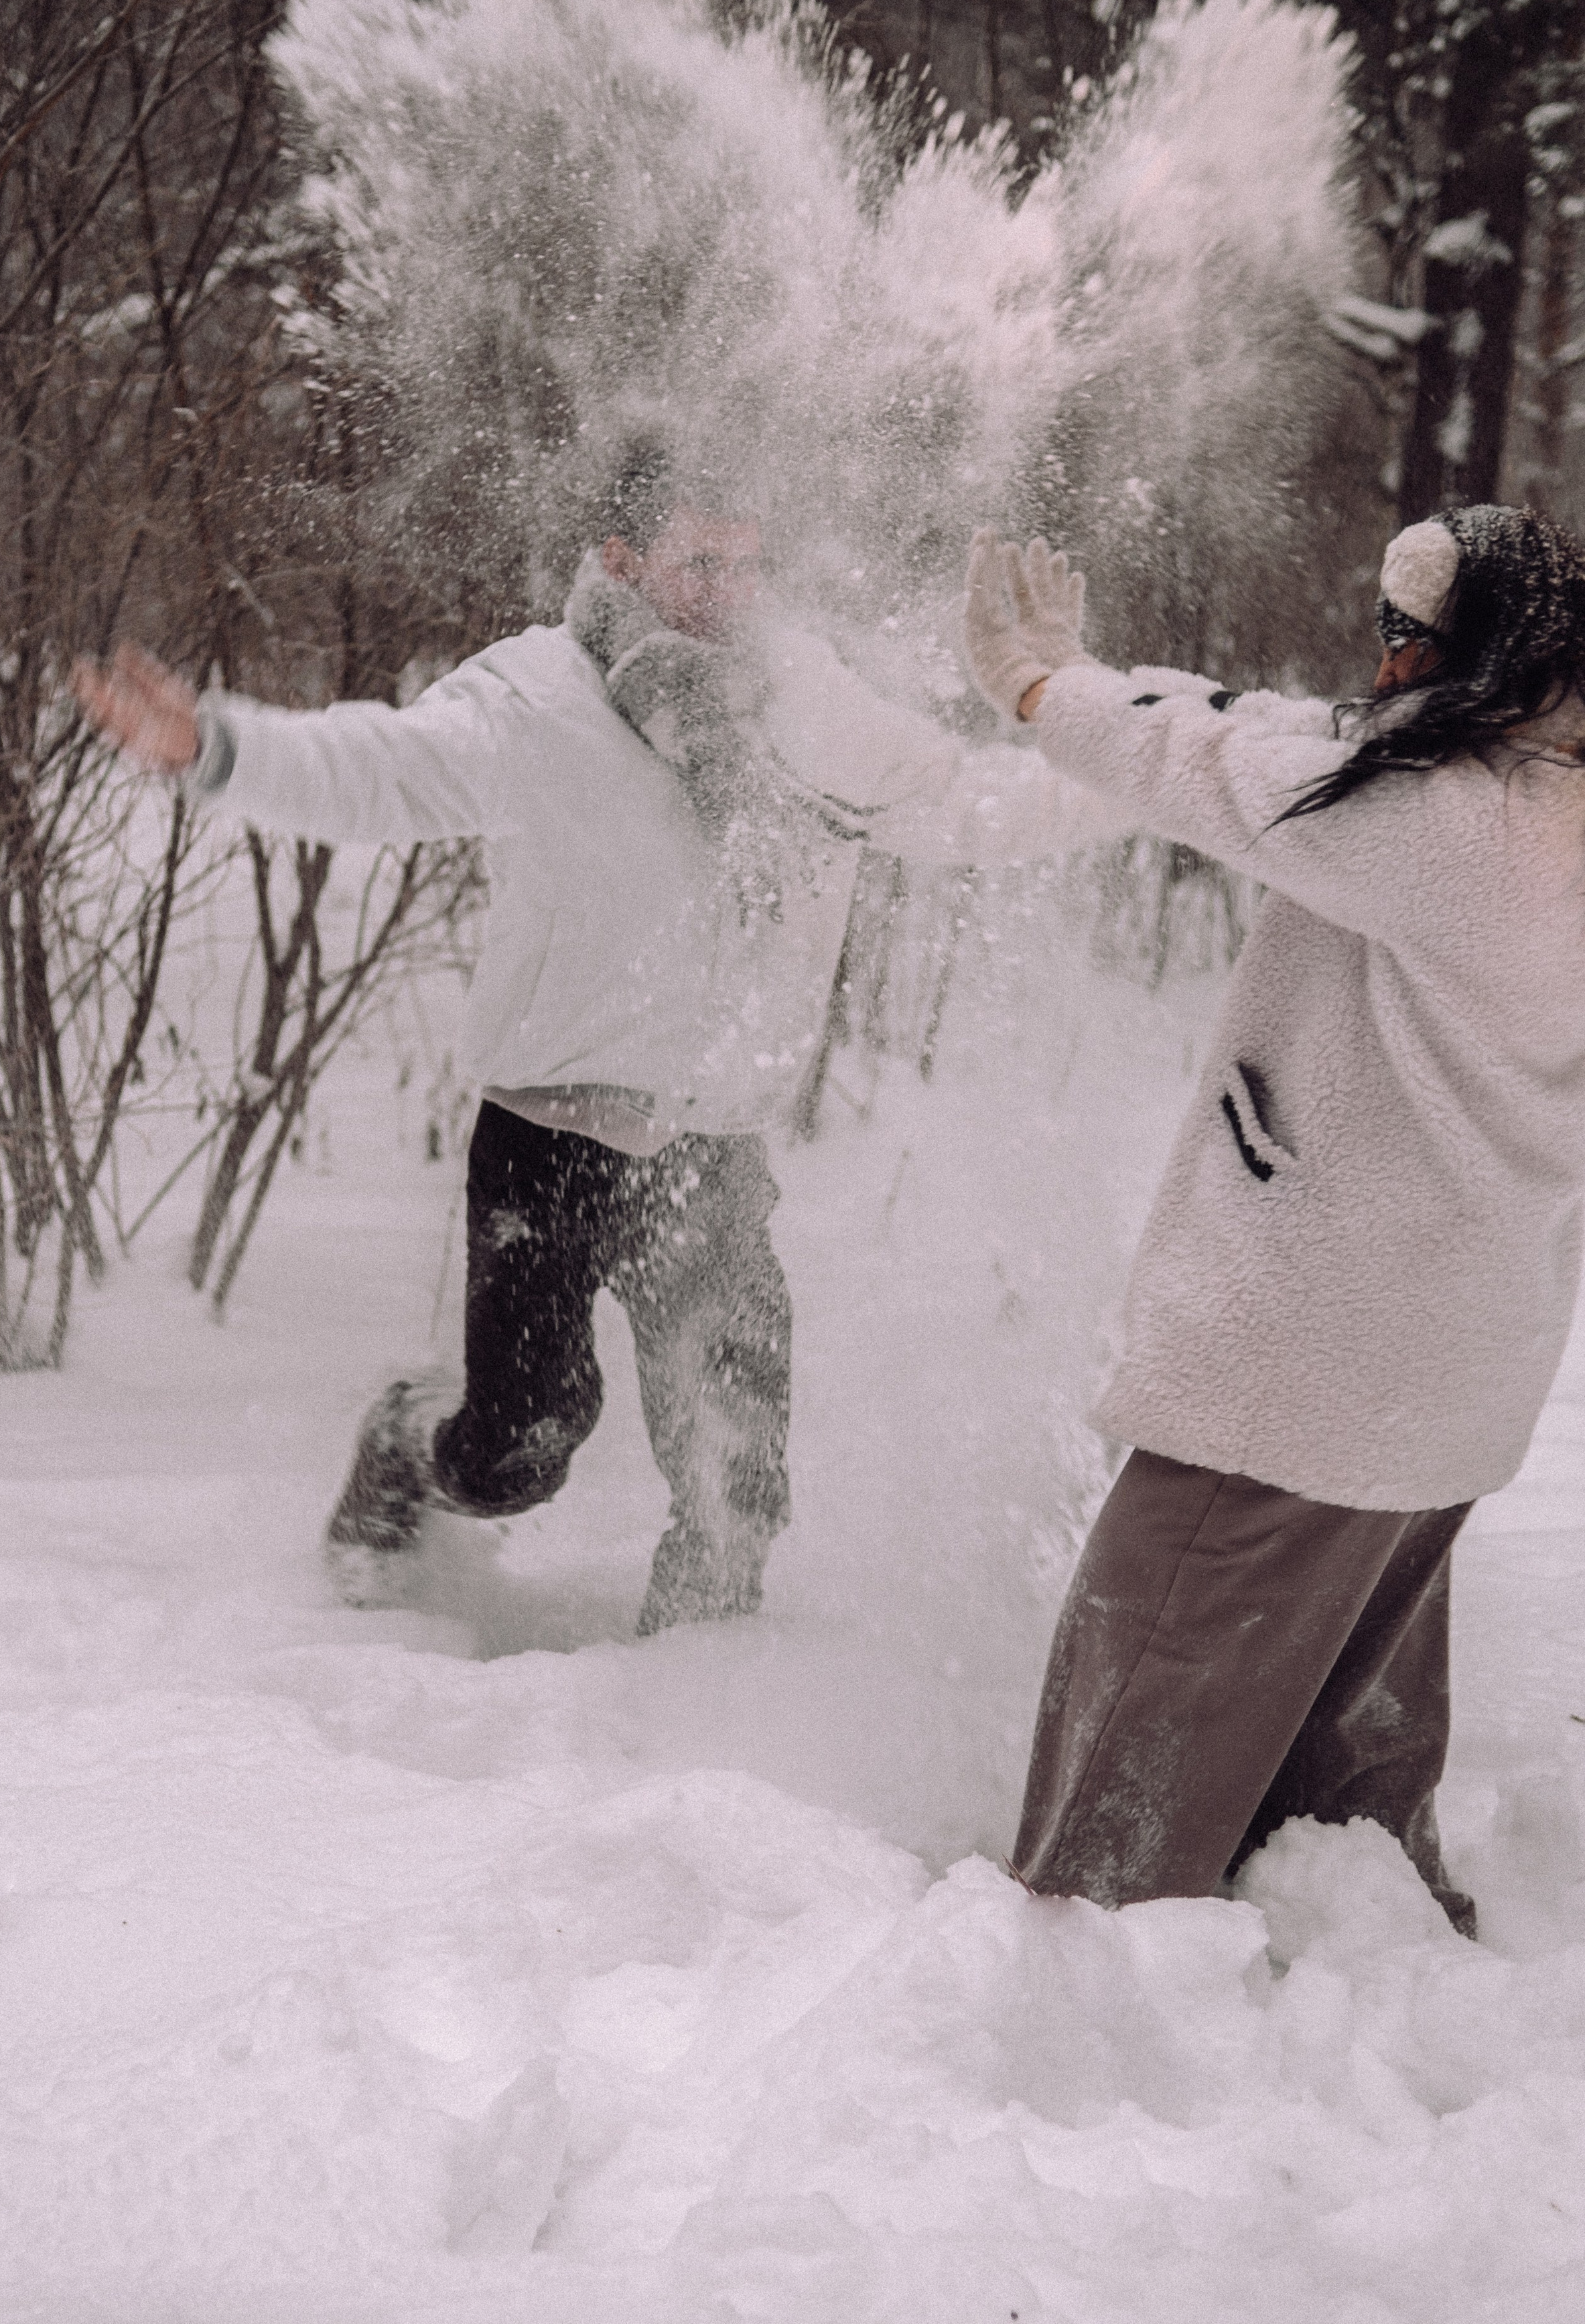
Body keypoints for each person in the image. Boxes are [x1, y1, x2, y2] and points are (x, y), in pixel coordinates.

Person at [73, 442, 1111, 1636]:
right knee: (518, 1451)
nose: (729, 594)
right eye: (699, 564)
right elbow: (388, 772)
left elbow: (952, 802)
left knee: (738, 1484)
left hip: (712, 1150)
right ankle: (407, 1442)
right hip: (551, 1138)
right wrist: (220, 749)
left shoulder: (803, 704)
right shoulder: (541, 698)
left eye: (748, 568)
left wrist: (1154, 772)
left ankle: (689, 1711)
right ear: (622, 561)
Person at [962, 502, 1585, 1936]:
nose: (1376, 673)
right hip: (1440, 1375)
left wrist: (1042, 683)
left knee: (1139, 1733)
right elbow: (1286, 729)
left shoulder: (1456, 831)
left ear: (1479, 652)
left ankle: (1078, 1987)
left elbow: (1224, 773)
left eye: (1401, 639)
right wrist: (1119, 673)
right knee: (1336, 1742)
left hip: (1303, 1372)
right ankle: (1355, 1951)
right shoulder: (1531, 791)